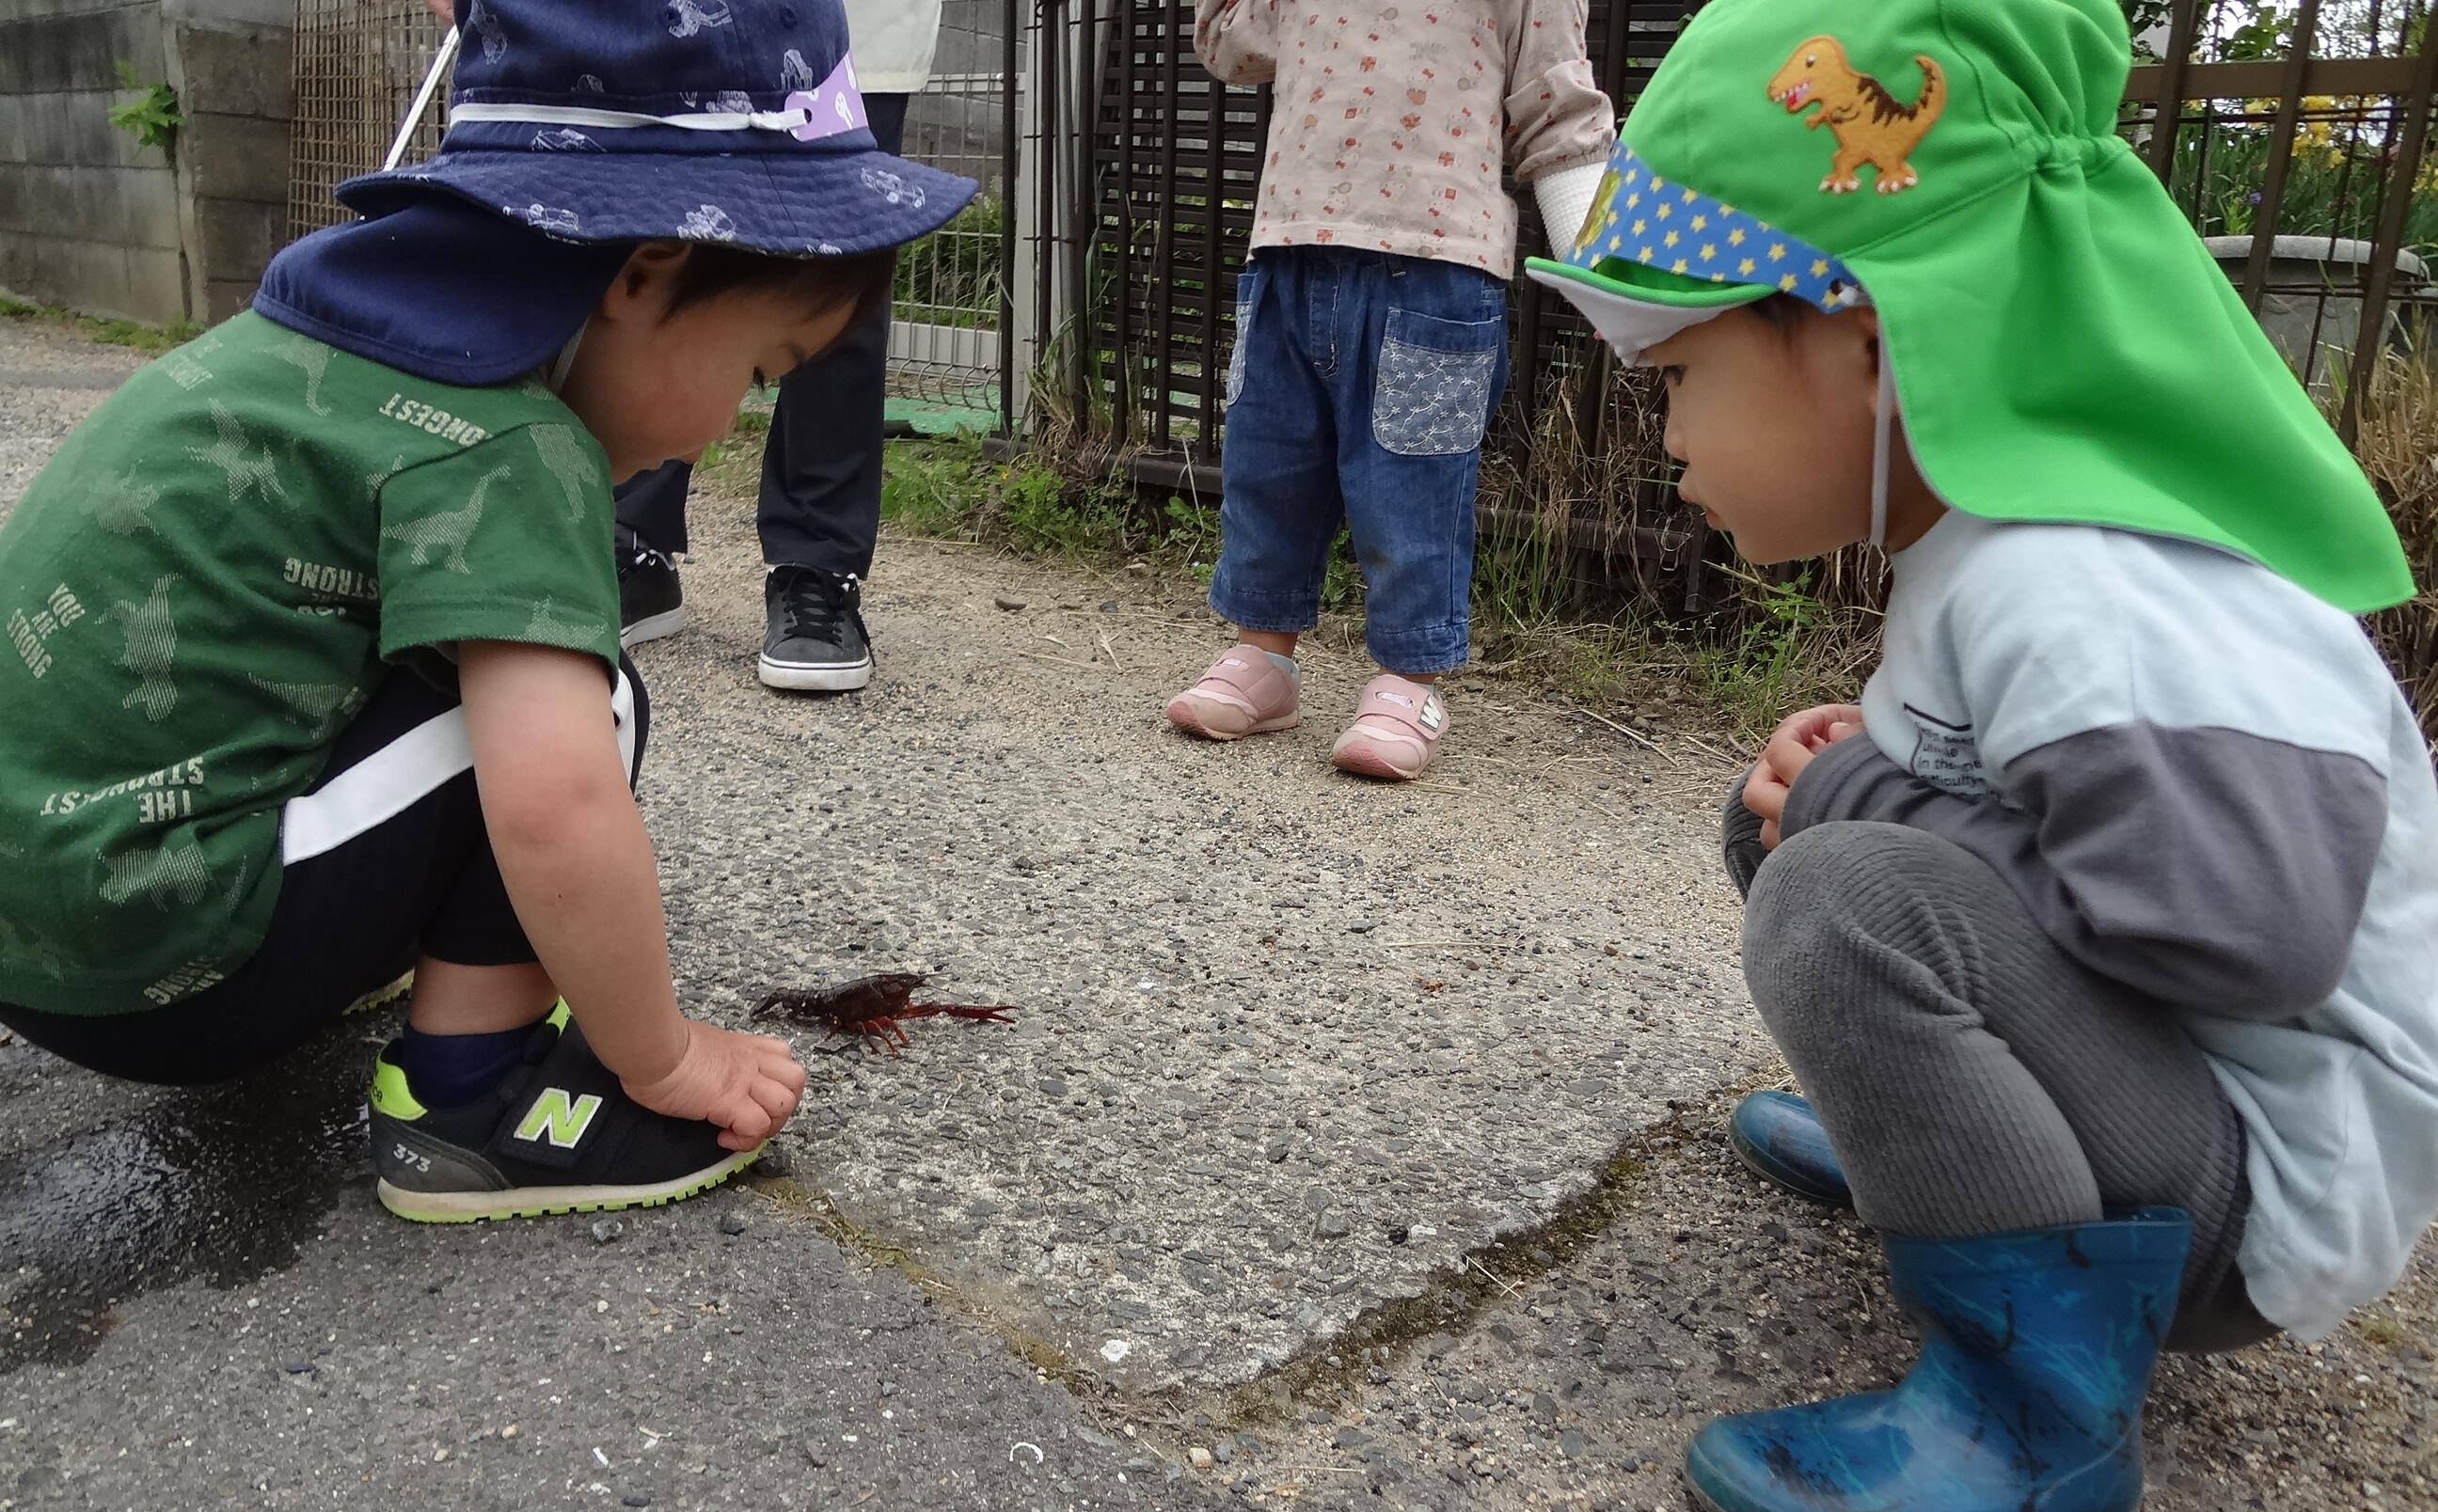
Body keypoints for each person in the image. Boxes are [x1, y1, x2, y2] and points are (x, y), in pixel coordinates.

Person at [1528, 0, 2438, 1512]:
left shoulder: (2077, 586)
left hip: (2260, 1199)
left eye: (1677, 373)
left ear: (1871, 338)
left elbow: (2246, 932)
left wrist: (1878, 809)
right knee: (1804, 831)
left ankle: (2037, 1412)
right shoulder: (1999, 545)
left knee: (1842, 889)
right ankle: (1964, 1161)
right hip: (2198, 1113)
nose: (1661, 430)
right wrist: (1869, 783)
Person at [0, 0, 975, 1222]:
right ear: (644, 268)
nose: (732, 427)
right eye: (759, 373)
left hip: (37, 914)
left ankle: (358, 934)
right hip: (158, 974)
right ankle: (471, 1100)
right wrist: (663, 1053)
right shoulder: (511, 448)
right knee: (587, 706)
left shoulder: (312, 345)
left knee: (448, 674)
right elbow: (553, 804)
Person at [1167, 1, 1616, 781]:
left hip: (1437, 262)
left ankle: (1411, 680)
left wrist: (1604, 277)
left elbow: (1557, 104)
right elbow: (1228, 44)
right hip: (1290, 245)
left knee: (1414, 489)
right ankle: (1263, 654)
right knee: (1267, 465)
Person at [614, 0, 946, 693]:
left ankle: (818, 562)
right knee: (668, 234)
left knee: (832, 260)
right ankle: (632, 539)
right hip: (683, 23)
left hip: (856, 31)